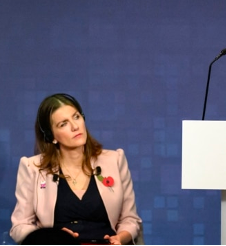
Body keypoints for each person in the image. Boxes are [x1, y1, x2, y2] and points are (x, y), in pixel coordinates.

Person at [10, 94, 141, 245]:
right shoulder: (32, 167)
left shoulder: (114, 160)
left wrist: (120, 238)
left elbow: (130, 219)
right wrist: (51, 237)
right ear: (52, 136)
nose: (75, 126)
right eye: (63, 124)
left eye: (76, 117)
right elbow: (20, 226)